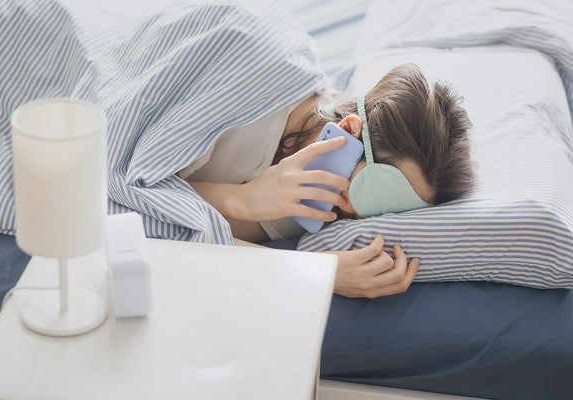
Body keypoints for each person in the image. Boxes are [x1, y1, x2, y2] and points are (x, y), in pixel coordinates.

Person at [180, 63, 475, 299]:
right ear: (347, 131)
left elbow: (173, 229)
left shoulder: (309, 207)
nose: (353, 216)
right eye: (366, 194)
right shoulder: (257, 86)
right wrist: (241, 199)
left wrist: (321, 271)